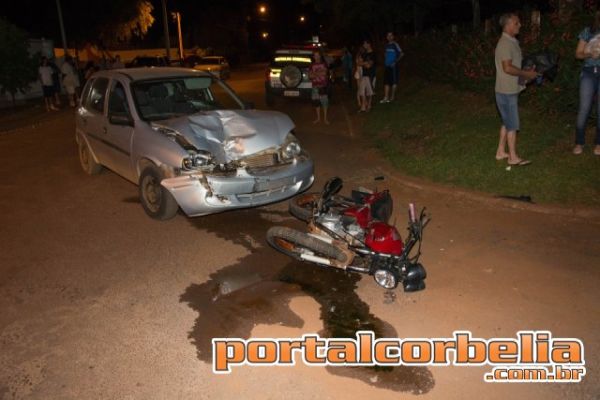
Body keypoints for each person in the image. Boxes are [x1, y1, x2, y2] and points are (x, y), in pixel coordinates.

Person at [494, 12, 538, 166]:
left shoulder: (511, 41)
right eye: (516, 23)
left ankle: (500, 151)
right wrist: (526, 73)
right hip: (506, 91)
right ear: (507, 25)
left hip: (509, 89)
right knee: (512, 123)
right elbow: (507, 68)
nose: (520, 25)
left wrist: (527, 71)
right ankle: (512, 157)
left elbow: (515, 64)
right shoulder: (505, 44)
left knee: (507, 121)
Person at [573, 11, 600, 156]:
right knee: (584, 108)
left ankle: (599, 143)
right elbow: (578, 54)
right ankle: (579, 142)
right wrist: (590, 53)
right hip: (589, 73)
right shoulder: (588, 31)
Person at [380, 32, 403, 103]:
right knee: (386, 81)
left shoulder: (395, 45)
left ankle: (392, 97)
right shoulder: (386, 45)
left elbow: (402, 54)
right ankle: (386, 97)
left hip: (393, 66)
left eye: (391, 35)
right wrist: (386, 58)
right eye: (388, 36)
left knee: (394, 82)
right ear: (387, 37)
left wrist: (395, 62)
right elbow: (385, 54)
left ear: (393, 37)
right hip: (387, 66)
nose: (389, 37)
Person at [308, 51, 330, 124]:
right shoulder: (311, 65)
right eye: (315, 55)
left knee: (325, 103)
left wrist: (314, 74)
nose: (316, 57)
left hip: (323, 86)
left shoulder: (324, 64)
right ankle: (318, 118)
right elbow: (310, 76)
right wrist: (319, 73)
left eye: (317, 55)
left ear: (320, 56)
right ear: (313, 57)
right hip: (315, 86)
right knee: (316, 103)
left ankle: (325, 119)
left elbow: (324, 73)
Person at [361, 39, 376, 110]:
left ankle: (369, 105)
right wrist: (365, 63)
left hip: (371, 74)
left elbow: (369, 65)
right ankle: (365, 104)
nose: (364, 45)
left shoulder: (373, 54)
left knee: (370, 90)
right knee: (363, 90)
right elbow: (359, 63)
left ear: (369, 44)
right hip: (364, 74)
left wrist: (364, 63)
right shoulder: (364, 54)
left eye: (365, 44)